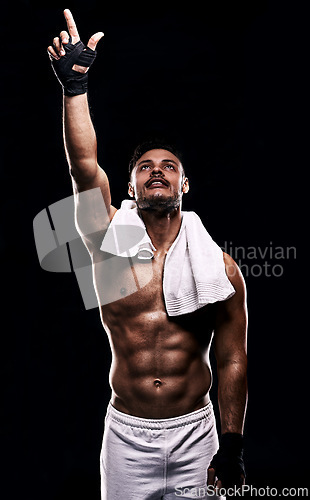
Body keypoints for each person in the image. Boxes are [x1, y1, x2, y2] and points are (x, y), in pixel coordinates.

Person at [47, 9, 248, 500]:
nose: (156, 171)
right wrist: (75, 88)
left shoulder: (220, 269)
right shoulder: (107, 237)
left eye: (168, 166)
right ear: (132, 185)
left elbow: (233, 357)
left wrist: (233, 444)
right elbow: (83, 165)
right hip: (127, 434)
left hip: (197, 431)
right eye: (143, 167)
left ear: (184, 184)